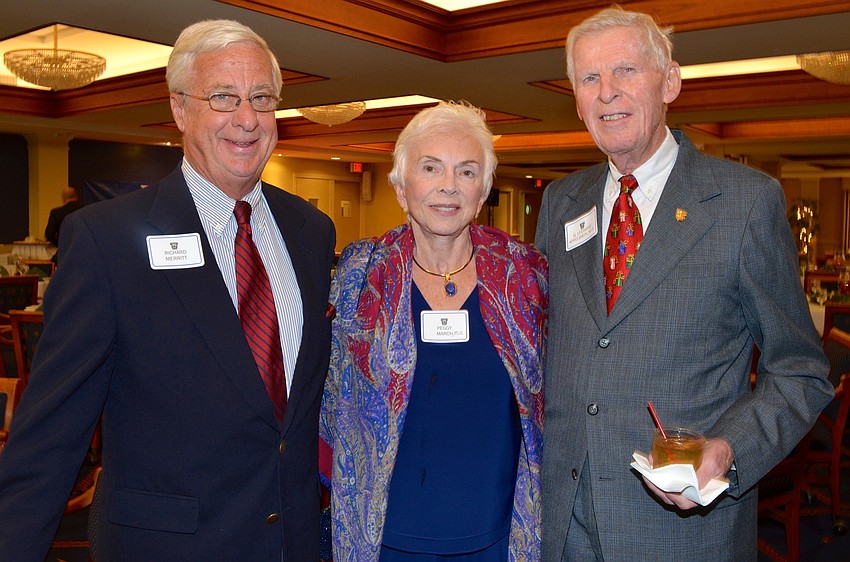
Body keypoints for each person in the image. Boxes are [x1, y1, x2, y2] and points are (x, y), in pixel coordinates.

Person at [0, 19, 335, 561]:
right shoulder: (106, 238)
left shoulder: (310, 231)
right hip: (168, 546)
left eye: (261, 97)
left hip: (289, 542)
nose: (247, 119)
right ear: (180, 109)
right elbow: (50, 435)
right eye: (223, 97)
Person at [535, 6, 833, 561]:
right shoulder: (560, 203)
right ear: (574, 98)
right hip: (563, 526)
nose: (606, 93)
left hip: (681, 535)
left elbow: (800, 371)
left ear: (670, 80)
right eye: (589, 78)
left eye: (626, 70)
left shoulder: (744, 202)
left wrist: (729, 448)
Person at [320, 101, 547, 561]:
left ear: (483, 191)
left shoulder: (525, 275)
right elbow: (329, 394)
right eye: (430, 167)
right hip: (383, 535)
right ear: (401, 186)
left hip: (498, 534)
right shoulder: (361, 274)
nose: (448, 186)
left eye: (466, 171)